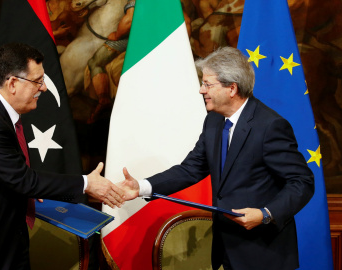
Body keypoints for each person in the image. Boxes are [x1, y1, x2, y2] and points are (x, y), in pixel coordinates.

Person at [0, 43, 125, 270]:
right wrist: (86, 183)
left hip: (2, 233)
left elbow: (10, 175)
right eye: (37, 81)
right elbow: (23, 180)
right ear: (12, 83)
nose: (43, 88)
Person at [119, 47, 314, 270]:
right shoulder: (213, 121)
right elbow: (191, 169)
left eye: (208, 84)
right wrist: (142, 187)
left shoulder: (270, 126)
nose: (201, 90)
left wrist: (265, 214)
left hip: (263, 252)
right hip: (225, 248)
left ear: (232, 88)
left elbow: (302, 182)